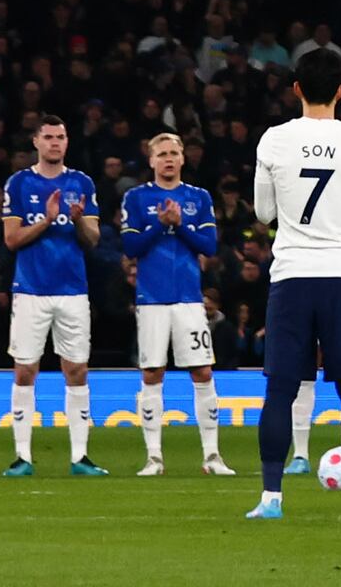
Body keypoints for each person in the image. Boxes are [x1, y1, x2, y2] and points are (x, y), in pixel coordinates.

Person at [249, 40, 341, 520]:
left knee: (280, 389)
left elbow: (264, 212)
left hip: (291, 275)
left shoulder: (273, 140)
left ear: (295, 89)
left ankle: (271, 499)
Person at [117, 128, 229, 479]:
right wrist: (159, 225)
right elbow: (131, 248)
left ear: (183, 158)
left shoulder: (198, 197)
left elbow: (209, 246)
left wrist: (179, 226)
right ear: (151, 160)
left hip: (189, 300)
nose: (168, 159)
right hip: (151, 299)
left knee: (203, 371)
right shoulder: (135, 198)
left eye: (173, 153)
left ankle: (212, 455)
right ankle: (154, 458)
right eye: (161, 154)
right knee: (152, 373)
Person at [0, 113, 105, 477]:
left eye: (60, 136)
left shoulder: (82, 182)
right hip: (30, 290)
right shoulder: (19, 183)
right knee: (25, 369)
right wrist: (46, 220)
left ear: (66, 142)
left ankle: (80, 457)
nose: (55, 142)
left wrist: (75, 219)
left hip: (73, 290)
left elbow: (93, 239)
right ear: (36, 142)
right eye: (48, 137)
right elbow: (11, 241)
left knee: (76, 369)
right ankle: (22, 457)